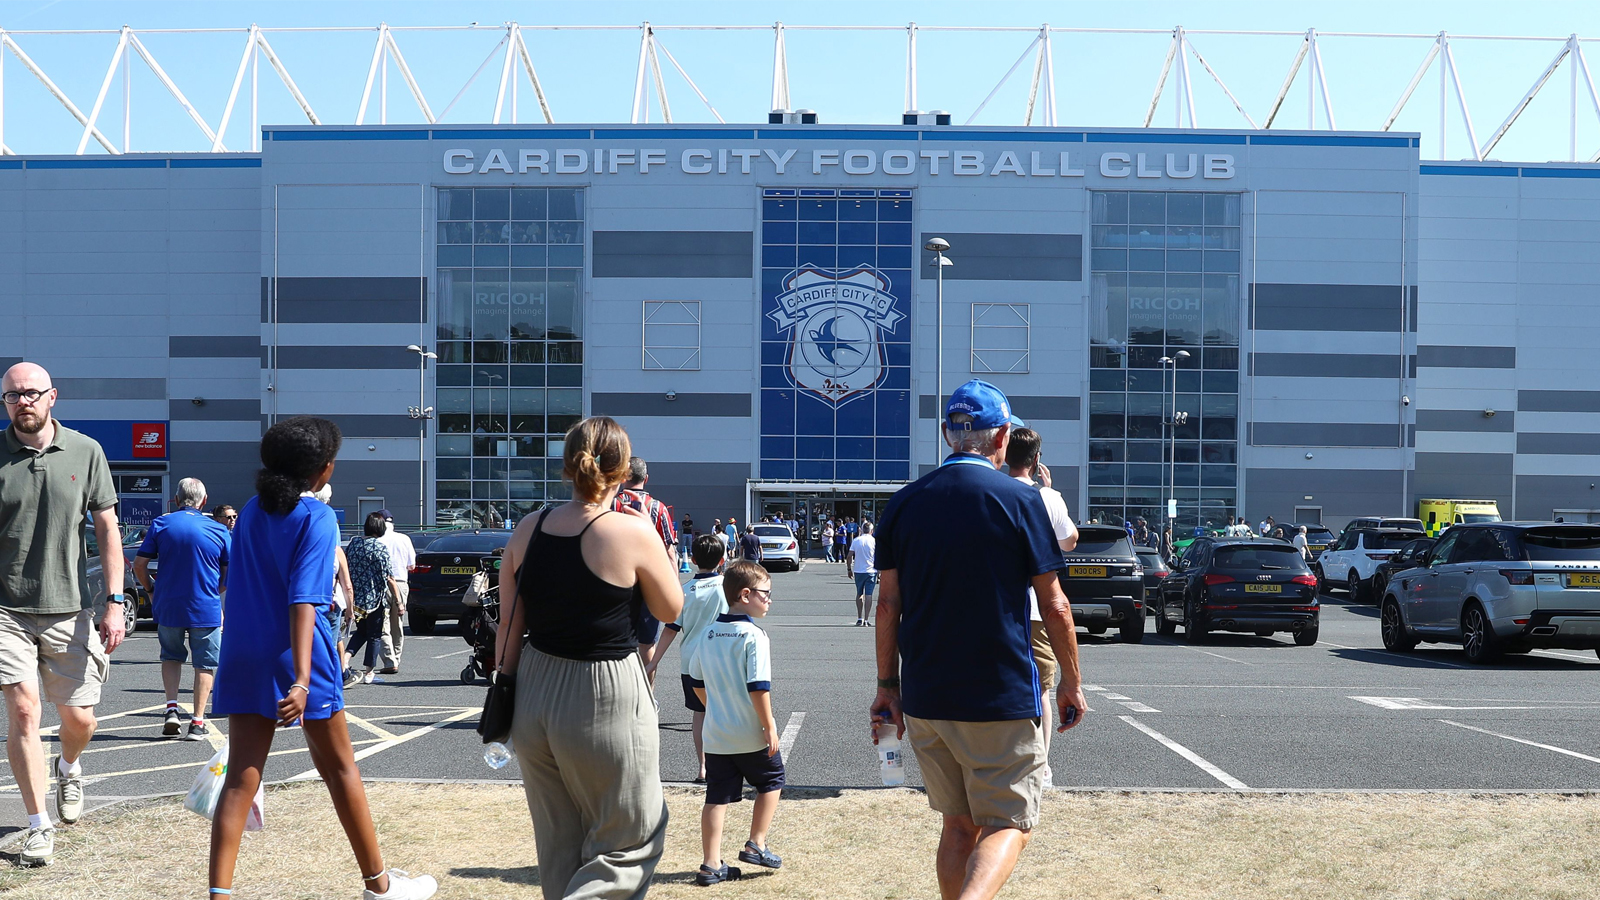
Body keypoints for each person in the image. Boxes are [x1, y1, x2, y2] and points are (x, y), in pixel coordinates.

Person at [871, 379, 1087, 900]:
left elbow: (887, 605)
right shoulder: (1020, 499)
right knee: (1010, 821)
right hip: (998, 694)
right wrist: (1072, 682)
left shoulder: (903, 503)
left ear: (949, 435)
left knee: (957, 824)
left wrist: (886, 685)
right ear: (1002, 437)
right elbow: (1054, 603)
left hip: (926, 693)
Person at [208, 416, 436, 899]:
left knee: (241, 779)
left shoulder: (249, 510)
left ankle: (219, 894)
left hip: (244, 652)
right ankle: (380, 884)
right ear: (325, 469)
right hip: (299, 658)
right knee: (340, 769)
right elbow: (304, 600)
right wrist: (303, 679)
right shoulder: (317, 517)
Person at [495, 416, 683, 900]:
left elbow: (510, 625)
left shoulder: (528, 528)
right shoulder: (630, 531)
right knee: (631, 836)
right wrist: (650, 537)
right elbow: (670, 608)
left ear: (567, 466)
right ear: (624, 472)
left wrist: (506, 699)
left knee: (560, 843)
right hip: (604, 689)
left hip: (533, 687)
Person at [0, 362, 126, 867]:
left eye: (31, 393)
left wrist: (115, 601)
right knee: (24, 710)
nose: (21, 402)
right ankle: (37, 826)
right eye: (11, 396)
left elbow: (107, 528)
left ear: (53, 397)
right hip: (6, 606)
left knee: (80, 719)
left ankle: (69, 766)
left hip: (69, 606)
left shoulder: (85, 451)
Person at [688, 560, 785, 886]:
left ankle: (710, 864)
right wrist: (769, 725)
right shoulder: (753, 636)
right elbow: (758, 687)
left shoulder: (708, 633)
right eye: (765, 594)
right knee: (772, 781)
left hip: (717, 735)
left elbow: (696, 681)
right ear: (745, 595)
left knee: (716, 797)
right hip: (751, 733)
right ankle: (756, 842)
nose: (769, 600)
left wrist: (715, 708)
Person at [1003, 426, 1079, 788]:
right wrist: (1048, 490)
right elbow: (1069, 541)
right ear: (1036, 460)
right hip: (1035, 607)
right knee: (1042, 690)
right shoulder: (1048, 498)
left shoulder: (991, 491)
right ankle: (1041, 767)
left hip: (994, 607)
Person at [133, 477, 231, 742]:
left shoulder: (161, 524)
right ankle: (197, 722)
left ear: (176, 500)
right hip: (205, 606)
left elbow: (139, 565)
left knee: (171, 657)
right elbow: (231, 570)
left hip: (169, 604)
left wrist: (152, 590)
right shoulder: (218, 530)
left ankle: (172, 709)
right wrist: (216, 590)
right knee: (205, 665)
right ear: (204, 501)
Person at [649, 533, 728, 783]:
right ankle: (726, 764)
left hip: (692, 662)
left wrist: (654, 661)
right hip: (724, 660)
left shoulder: (684, 592)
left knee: (699, 714)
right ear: (723, 559)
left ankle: (703, 767)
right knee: (725, 712)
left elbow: (670, 629)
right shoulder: (728, 587)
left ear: (692, 559)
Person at [613, 456, 679, 678]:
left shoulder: (612, 504)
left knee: (615, 644)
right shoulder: (658, 508)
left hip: (616, 582)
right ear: (646, 479)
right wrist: (674, 586)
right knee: (647, 644)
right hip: (650, 584)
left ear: (623, 477)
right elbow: (670, 551)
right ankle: (648, 697)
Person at [344, 513, 399, 686]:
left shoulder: (354, 544)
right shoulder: (379, 547)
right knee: (374, 635)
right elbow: (389, 577)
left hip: (355, 598)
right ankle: (369, 672)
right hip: (374, 599)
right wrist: (398, 599)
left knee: (361, 632)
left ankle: (344, 660)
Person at [374, 510, 415, 676]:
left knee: (381, 624)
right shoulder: (404, 538)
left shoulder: (376, 540)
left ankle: (389, 659)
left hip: (381, 584)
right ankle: (396, 658)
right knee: (397, 624)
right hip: (400, 583)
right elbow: (411, 565)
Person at [848, 521, 878, 627]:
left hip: (858, 571)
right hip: (871, 571)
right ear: (871, 530)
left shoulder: (856, 540)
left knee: (859, 593)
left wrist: (849, 569)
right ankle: (866, 619)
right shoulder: (874, 541)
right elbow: (879, 557)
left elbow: (849, 555)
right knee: (869, 595)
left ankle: (859, 618)